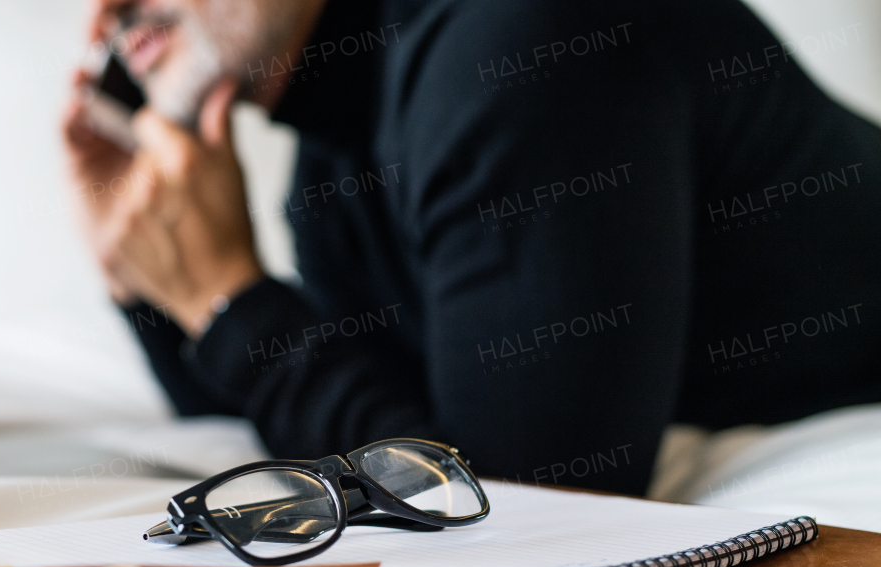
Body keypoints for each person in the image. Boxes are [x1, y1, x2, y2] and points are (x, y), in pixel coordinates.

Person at [61, 0, 881, 495]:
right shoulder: (341, 147)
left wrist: (229, 300)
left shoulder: (518, 47)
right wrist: (154, 280)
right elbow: (312, 425)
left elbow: (517, 506)